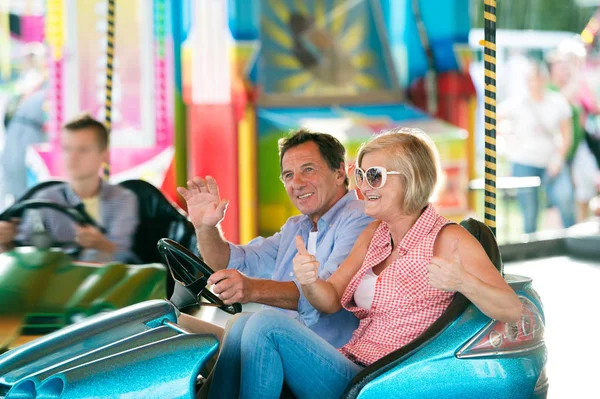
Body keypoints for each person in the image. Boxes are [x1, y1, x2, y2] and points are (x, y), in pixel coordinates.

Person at [208, 128, 523, 399]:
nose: (363, 187)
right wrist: (309, 280)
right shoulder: (376, 233)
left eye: (375, 176)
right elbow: (329, 300)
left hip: (387, 380)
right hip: (354, 368)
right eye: (361, 175)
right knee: (240, 325)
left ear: (412, 178)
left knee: (265, 325)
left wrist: (463, 282)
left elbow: (512, 310)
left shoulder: (448, 239)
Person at [175, 130, 372, 392]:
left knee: (262, 323)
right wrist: (205, 227)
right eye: (289, 175)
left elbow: (327, 294)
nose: (297, 183)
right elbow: (232, 261)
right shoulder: (296, 228)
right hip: (284, 352)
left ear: (339, 173)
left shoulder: (359, 218)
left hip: (335, 362)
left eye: (308, 170)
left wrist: (252, 289)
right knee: (198, 321)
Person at [0, 114, 139, 263]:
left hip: (106, 281)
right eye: (67, 149)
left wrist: (103, 245)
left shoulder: (123, 199)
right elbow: (24, 255)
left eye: (83, 150)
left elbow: (126, 258)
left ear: (104, 156)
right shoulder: (45, 199)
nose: (72, 157)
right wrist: (6, 241)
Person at [498, 60, 576, 234]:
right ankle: (530, 247)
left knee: (564, 199)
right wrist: (507, 143)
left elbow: (566, 135)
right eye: (532, 79)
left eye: (539, 78)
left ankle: (571, 237)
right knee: (529, 211)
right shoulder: (517, 103)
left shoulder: (557, 102)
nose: (536, 83)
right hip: (524, 161)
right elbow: (494, 119)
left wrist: (558, 159)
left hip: (551, 160)